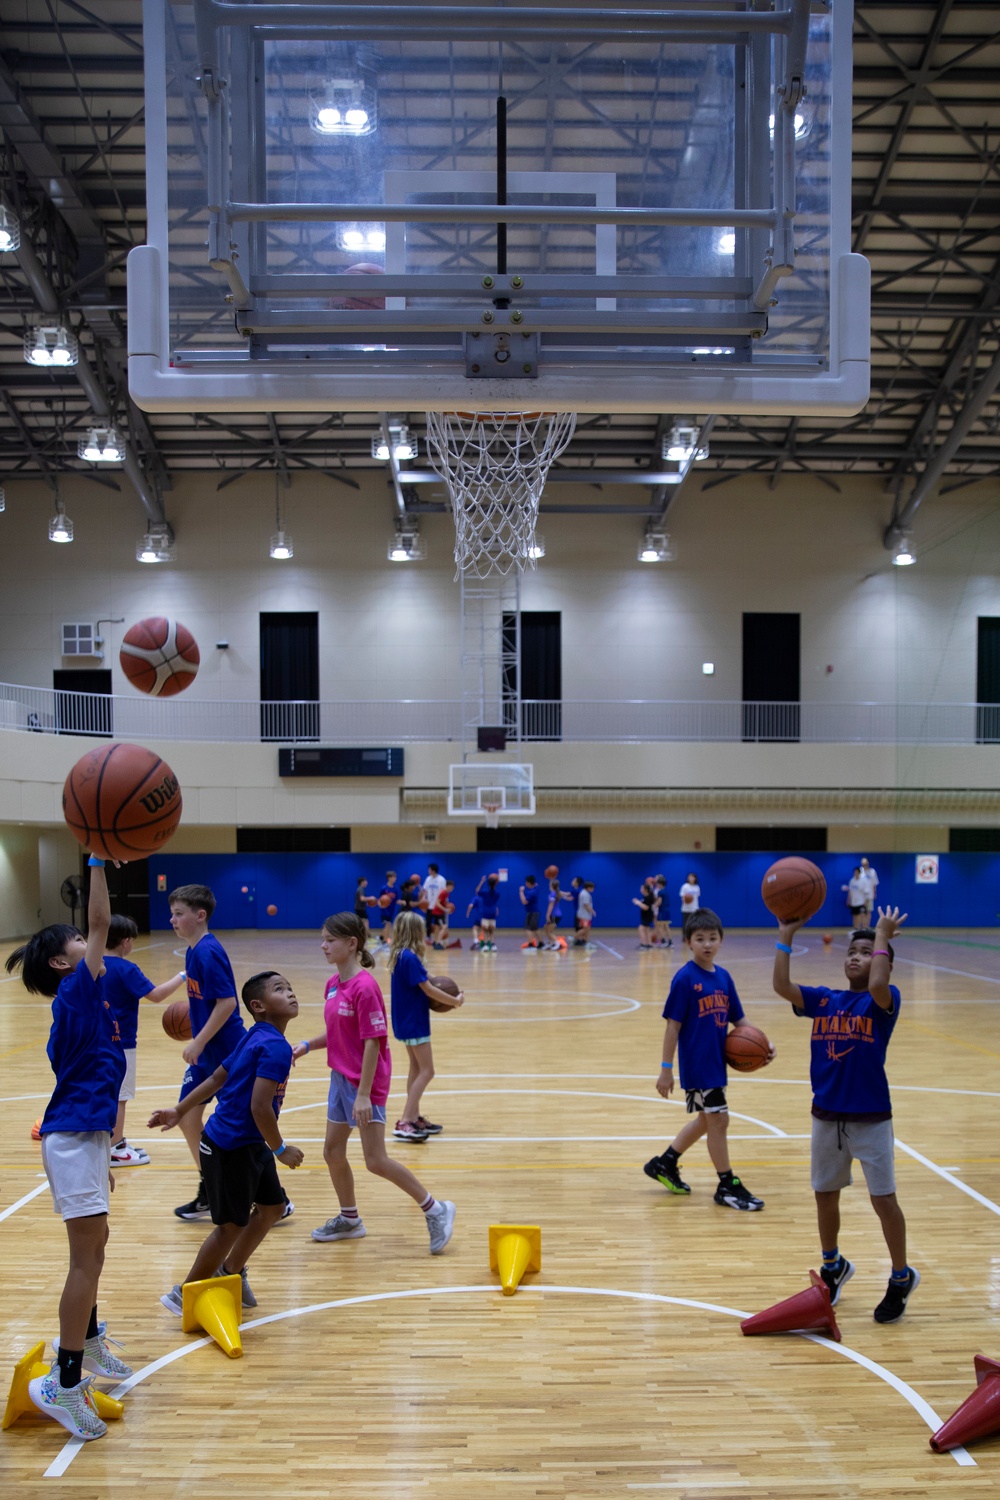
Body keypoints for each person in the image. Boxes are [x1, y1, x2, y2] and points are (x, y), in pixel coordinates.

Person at [6, 855, 132, 1442]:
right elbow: (103, 921)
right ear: (63, 962)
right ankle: (63, 1380)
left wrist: (105, 1152)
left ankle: (91, 1336)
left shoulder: (88, 998)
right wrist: (99, 859)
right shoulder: (77, 993)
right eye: (79, 939)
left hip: (88, 1137)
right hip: (73, 1138)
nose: (91, 940)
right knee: (86, 1258)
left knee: (97, 1248)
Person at [771, 907, 918, 1323]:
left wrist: (883, 935)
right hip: (826, 1116)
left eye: (866, 952)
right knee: (825, 1194)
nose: (856, 956)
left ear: (883, 960)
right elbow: (781, 984)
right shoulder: (825, 1000)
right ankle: (833, 1264)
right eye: (852, 951)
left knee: (883, 1200)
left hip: (871, 1118)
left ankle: (901, 1275)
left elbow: (877, 981)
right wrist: (785, 934)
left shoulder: (883, 1002)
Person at [292, 912, 457, 1253]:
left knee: (376, 1160)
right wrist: (308, 1045)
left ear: (351, 944)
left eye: (330, 940)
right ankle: (350, 1219)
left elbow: (372, 1041)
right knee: (332, 1151)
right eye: (322, 939)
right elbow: (339, 1032)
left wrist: (364, 1095)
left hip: (364, 1083)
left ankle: (436, 1209)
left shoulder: (365, 987)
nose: (323, 945)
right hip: (340, 1078)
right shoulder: (333, 984)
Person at [152, 971, 304, 1316]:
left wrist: (179, 1109)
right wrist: (281, 1150)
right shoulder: (273, 1046)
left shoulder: (256, 1036)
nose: (291, 993)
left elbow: (218, 1077)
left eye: (290, 987)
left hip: (248, 1142)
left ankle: (230, 1272)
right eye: (280, 989)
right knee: (230, 1226)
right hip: (231, 1146)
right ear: (258, 1006)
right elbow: (260, 1106)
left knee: (272, 1208)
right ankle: (184, 1292)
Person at [643, 908, 769, 1211]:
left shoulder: (724, 977)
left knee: (705, 1120)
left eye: (713, 938)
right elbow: (672, 1026)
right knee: (719, 1120)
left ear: (721, 940)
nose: (707, 944)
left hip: (716, 1064)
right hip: (698, 1065)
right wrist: (665, 1070)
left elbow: (740, 1020)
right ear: (688, 942)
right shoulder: (685, 979)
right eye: (700, 939)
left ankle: (665, 1163)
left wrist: (764, 1044)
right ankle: (727, 1184)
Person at [167, 884, 247, 1221]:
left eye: (179, 913)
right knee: (187, 1118)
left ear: (200, 916)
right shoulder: (192, 951)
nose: (172, 919)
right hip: (206, 1053)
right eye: (172, 913)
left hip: (226, 1051)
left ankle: (272, 1196)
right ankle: (211, 1189)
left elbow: (228, 1003)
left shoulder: (207, 952)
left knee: (241, 1129)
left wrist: (198, 1041)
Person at [103, 914, 186, 1166]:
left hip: (95, 1040)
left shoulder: (90, 964)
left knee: (106, 1092)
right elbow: (157, 995)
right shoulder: (126, 969)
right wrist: (183, 975)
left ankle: (107, 1142)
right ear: (126, 941)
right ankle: (115, 1148)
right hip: (122, 1041)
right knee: (120, 1097)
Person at [387, 910, 464, 1140]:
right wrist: (455, 1001)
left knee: (417, 1069)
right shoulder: (409, 958)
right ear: (415, 932)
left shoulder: (402, 955)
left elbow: (428, 978)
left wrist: (450, 991)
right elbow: (429, 989)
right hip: (414, 1023)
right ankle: (405, 1120)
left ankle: (415, 1116)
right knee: (428, 1071)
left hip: (406, 1021)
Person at [476, 873, 501, 951]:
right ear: (496, 883)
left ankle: (486, 945)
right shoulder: (497, 893)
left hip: (486, 912)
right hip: (493, 912)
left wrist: (482, 881)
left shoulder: (484, 892)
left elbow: (477, 891)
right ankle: (493, 945)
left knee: (485, 930)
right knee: (492, 930)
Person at [422, 864, 447, 932]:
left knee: (438, 923)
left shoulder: (442, 879)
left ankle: (438, 939)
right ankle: (428, 937)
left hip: (437, 906)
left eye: (429, 869)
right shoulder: (428, 879)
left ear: (433, 870)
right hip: (429, 905)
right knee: (428, 923)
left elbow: (444, 892)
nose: (428, 871)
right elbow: (425, 890)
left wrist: (443, 904)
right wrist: (423, 899)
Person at [378, 870, 399, 947]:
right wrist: (380, 904)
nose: (395, 878)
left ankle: (382, 938)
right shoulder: (384, 888)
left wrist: (402, 902)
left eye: (395, 877)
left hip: (391, 910)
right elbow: (380, 899)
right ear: (389, 878)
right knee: (388, 925)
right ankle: (385, 941)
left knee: (389, 925)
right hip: (384, 910)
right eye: (394, 877)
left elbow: (396, 900)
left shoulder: (395, 889)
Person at [519, 874, 541, 949]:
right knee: (535, 929)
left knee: (528, 928)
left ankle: (531, 944)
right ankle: (541, 943)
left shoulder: (531, 892)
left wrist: (521, 892)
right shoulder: (536, 889)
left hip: (532, 912)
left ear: (528, 883)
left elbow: (524, 901)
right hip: (534, 912)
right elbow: (536, 885)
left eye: (526, 882)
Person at [633, 880, 657, 949]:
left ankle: (644, 944)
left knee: (641, 929)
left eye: (642, 888)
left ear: (645, 889)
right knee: (647, 930)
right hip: (647, 916)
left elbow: (646, 907)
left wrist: (638, 903)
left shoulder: (648, 898)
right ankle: (649, 944)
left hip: (647, 916)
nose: (640, 889)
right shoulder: (647, 897)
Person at [573, 881, 596, 947]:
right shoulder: (585, 894)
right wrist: (592, 911)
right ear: (588, 888)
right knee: (586, 929)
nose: (593, 890)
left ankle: (586, 942)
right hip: (584, 915)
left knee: (587, 929)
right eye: (592, 888)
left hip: (584, 915)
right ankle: (574, 938)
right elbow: (586, 904)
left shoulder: (583, 893)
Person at [653, 875, 673, 948]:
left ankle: (663, 941)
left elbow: (659, 902)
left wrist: (654, 906)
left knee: (660, 926)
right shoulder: (666, 891)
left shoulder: (660, 892)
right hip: (667, 910)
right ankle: (670, 942)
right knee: (667, 926)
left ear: (660, 884)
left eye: (657, 884)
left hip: (662, 911)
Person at [858, 857, 879, 924]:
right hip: (860, 895)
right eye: (862, 863)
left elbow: (874, 884)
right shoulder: (859, 871)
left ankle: (867, 927)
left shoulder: (872, 871)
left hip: (869, 894)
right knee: (861, 911)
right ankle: (861, 927)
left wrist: (874, 893)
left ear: (868, 863)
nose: (864, 864)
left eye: (865, 863)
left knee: (868, 911)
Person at [354, 876, 375, 941]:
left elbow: (361, 900)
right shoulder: (360, 889)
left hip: (360, 908)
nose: (367, 883)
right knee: (366, 923)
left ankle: (365, 937)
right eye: (366, 881)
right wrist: (371, 898)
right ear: (362, 882)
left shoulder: (360, 889)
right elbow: (362, 899)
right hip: (360, 909)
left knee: (362, 923)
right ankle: (368, 938)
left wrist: (367, 903)